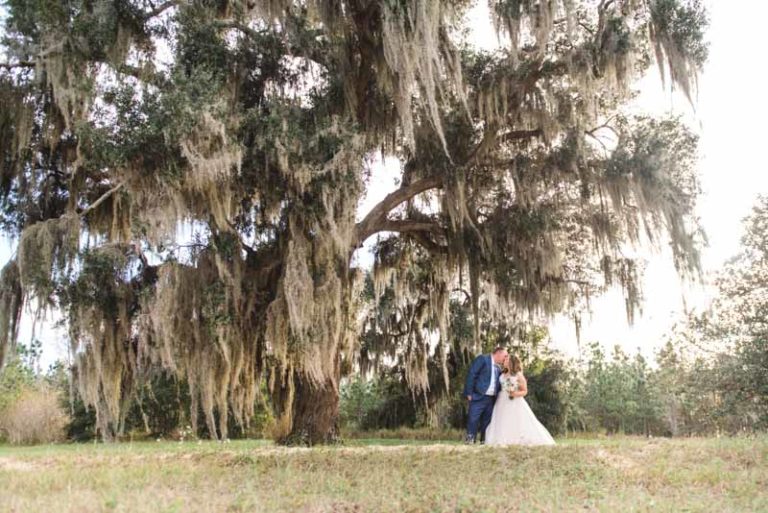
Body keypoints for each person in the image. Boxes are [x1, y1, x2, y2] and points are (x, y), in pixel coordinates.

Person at [484, 354, 556, 446]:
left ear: (511, 362)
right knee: (502, 419)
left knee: (515, 420)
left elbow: (525, 391)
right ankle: (501, 439)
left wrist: (514, 393)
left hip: (515, 401)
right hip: (501, 400)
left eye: (506, 360)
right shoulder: (502, 373)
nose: (504, 361)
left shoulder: (518, 375)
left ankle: (515, 439)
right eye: (504, 359)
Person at [463, 347, 508, 443]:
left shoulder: (499, 368)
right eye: (504, 356)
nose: (505, 358)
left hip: (491, 399)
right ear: (498, 353)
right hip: (478, 396)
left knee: (487, 421)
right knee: (473, 418)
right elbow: (472, 374)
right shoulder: (483, 359)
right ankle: (470, 439)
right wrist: (469, 392)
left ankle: (484, 440)